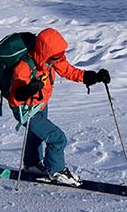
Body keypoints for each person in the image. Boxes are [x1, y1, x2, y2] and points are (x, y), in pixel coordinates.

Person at [6, 26, 110, 185]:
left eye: (61, 55)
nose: (60, 59)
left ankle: (32, 165)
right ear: (44, 53)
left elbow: (69, 71)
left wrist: (93, 77)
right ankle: (56, 171)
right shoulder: (24, 67)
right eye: (56, 56)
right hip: (25, 110)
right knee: (57, 138)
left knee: (36, 135)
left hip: (41, 104)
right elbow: (14, 100)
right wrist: (26, 91)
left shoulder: (52, 58)